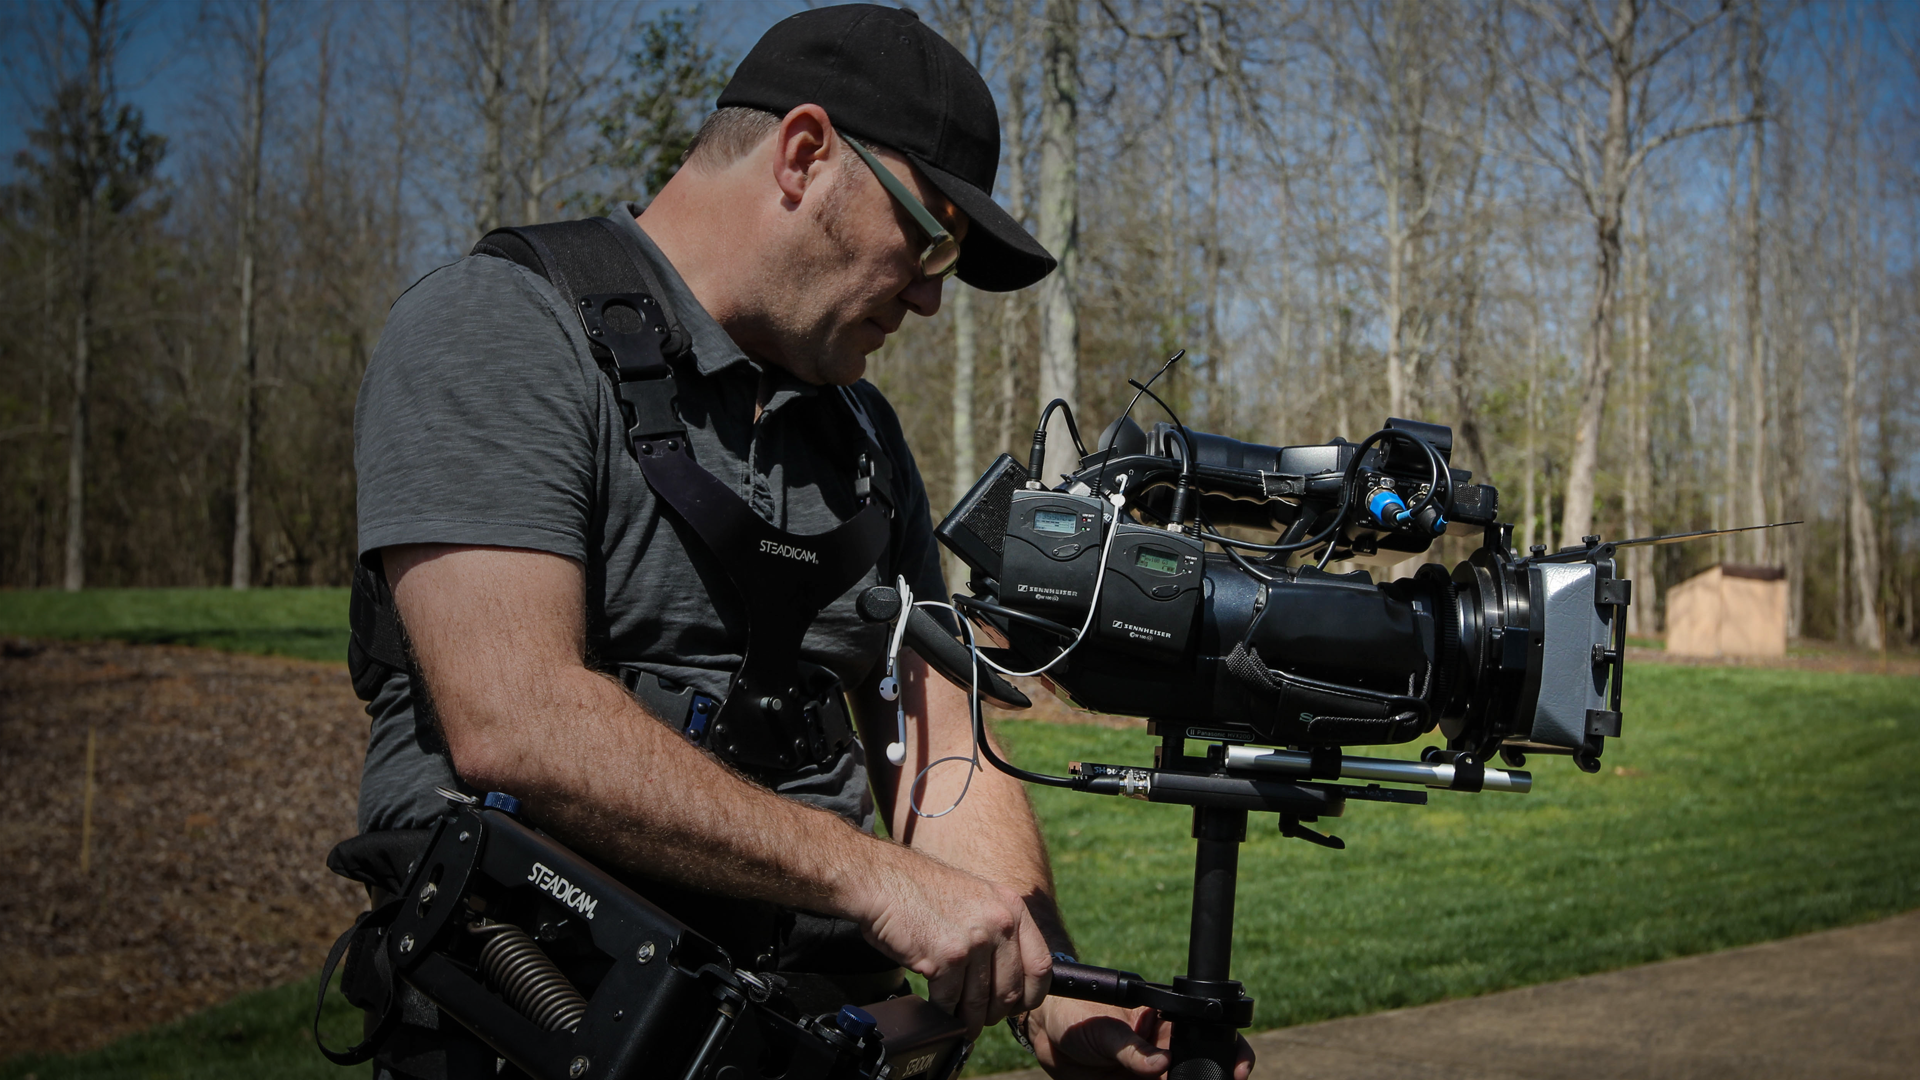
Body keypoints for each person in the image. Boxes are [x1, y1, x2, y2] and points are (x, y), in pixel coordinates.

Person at [349, 6, 1252, 1079]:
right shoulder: (504, 329)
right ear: (805, 154)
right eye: (931, 238)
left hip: (824, 1039)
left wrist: (1051, 992)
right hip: (547, 1025)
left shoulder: (863, 439)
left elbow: (940, 738)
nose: (931, 296)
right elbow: (516, 719)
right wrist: (871, 877)